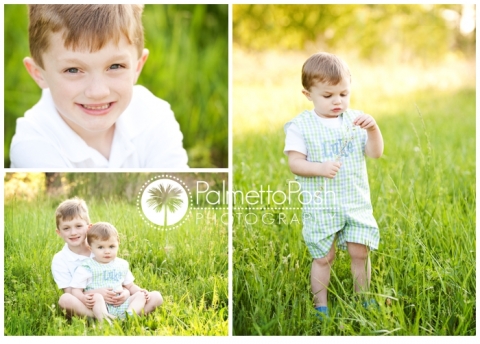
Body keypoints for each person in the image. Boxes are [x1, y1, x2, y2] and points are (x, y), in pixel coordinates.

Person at [10, 5, 188, 168]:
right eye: (73, 70)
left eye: (115, 66)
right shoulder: (32, 144)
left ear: (138, 67)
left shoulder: (155, 116)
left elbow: (172, 190)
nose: (98, 92)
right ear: (38, 73)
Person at [284, 52, 384, 318]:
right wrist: (320, 168)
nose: (337, 101)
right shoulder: (300, 126)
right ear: (308, 94)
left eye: (344, 93)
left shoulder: (356, 120)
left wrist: (373, 129)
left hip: (355, 201)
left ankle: (363, 297)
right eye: (328, 96)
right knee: (323, 257)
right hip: (322, 205)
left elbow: (375, 153)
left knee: (360, 251)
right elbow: (295, 163)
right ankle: (321, 304)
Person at [51, 197, 162, 319]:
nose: (73, 232)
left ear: (88, 227)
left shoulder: (101, 247)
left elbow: (118, 279)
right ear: (59, 232)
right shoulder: (60, 260)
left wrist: (125, 293)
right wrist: (97, 294)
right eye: (66, 228)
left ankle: (125, 317)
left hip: (118, 301)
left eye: (78, 226)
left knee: (156, 297)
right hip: (89, 304)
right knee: (65, 300)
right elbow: (70, 293)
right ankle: (103, 318)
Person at [70, 222, 162, 323]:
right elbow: (76, 290)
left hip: (122, 304)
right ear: (90, 248)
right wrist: (83, 298)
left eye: (111, 246)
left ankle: (128, 316)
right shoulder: (87, 267)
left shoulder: (122, 264)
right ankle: (105, 320)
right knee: (96, 297)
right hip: (99, 306)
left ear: (118, 244)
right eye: (100, 247)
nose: (107, 251)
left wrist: (141, 291)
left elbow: (130, 286)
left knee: (151, 296)